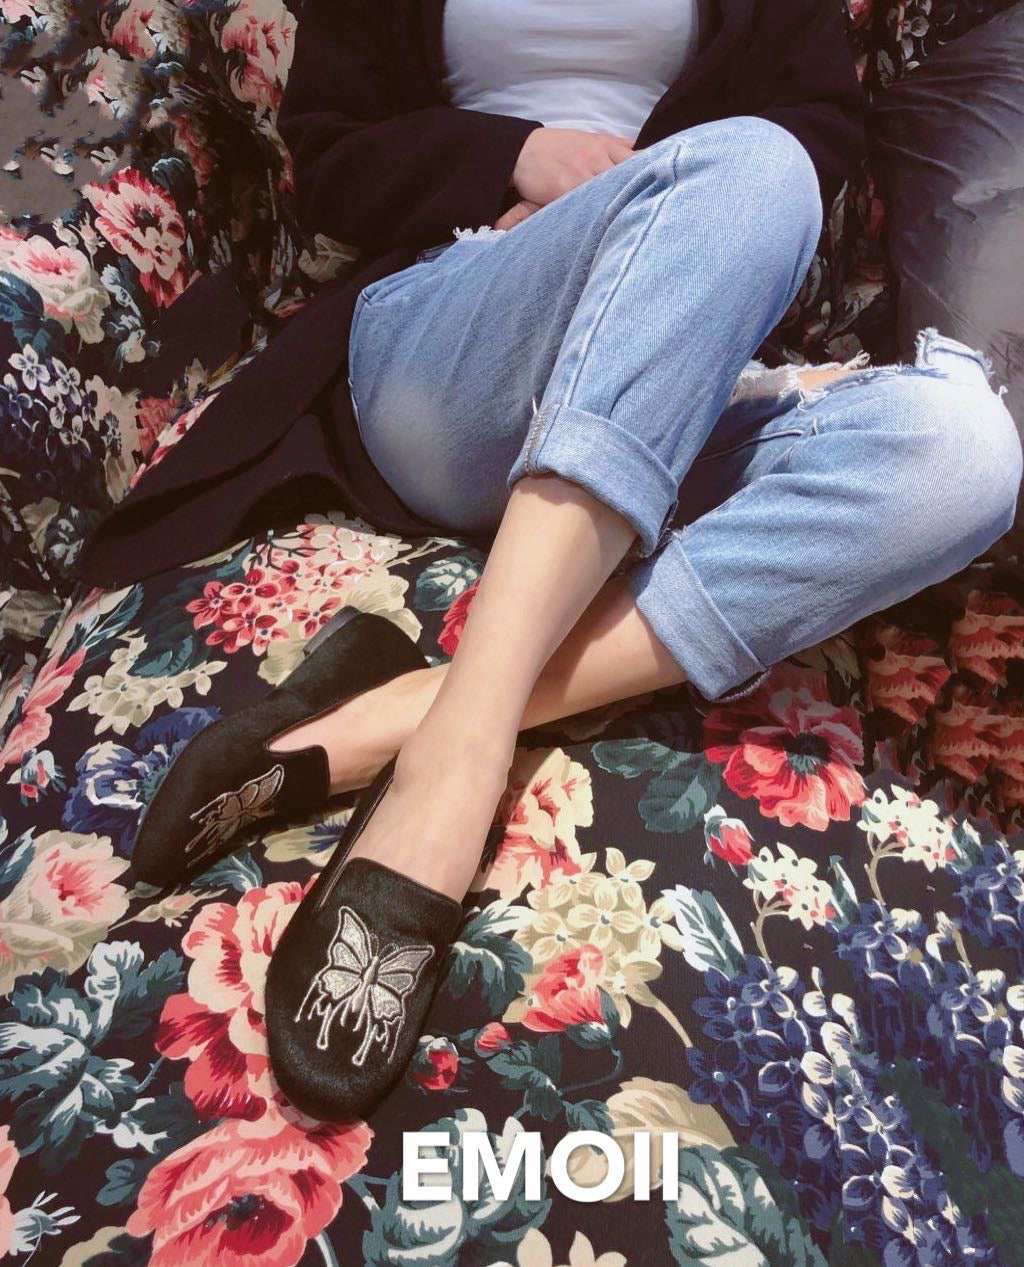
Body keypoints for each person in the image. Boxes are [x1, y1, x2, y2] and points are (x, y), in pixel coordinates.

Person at [124, 0, 1022, 1121]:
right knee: (754, 167)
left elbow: (822, 131)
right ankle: (448, 774)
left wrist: (669, 212)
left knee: (964, 451)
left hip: (672, 359)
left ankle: (411, 713)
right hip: (460, 334)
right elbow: (334, 157)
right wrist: (519, 156)